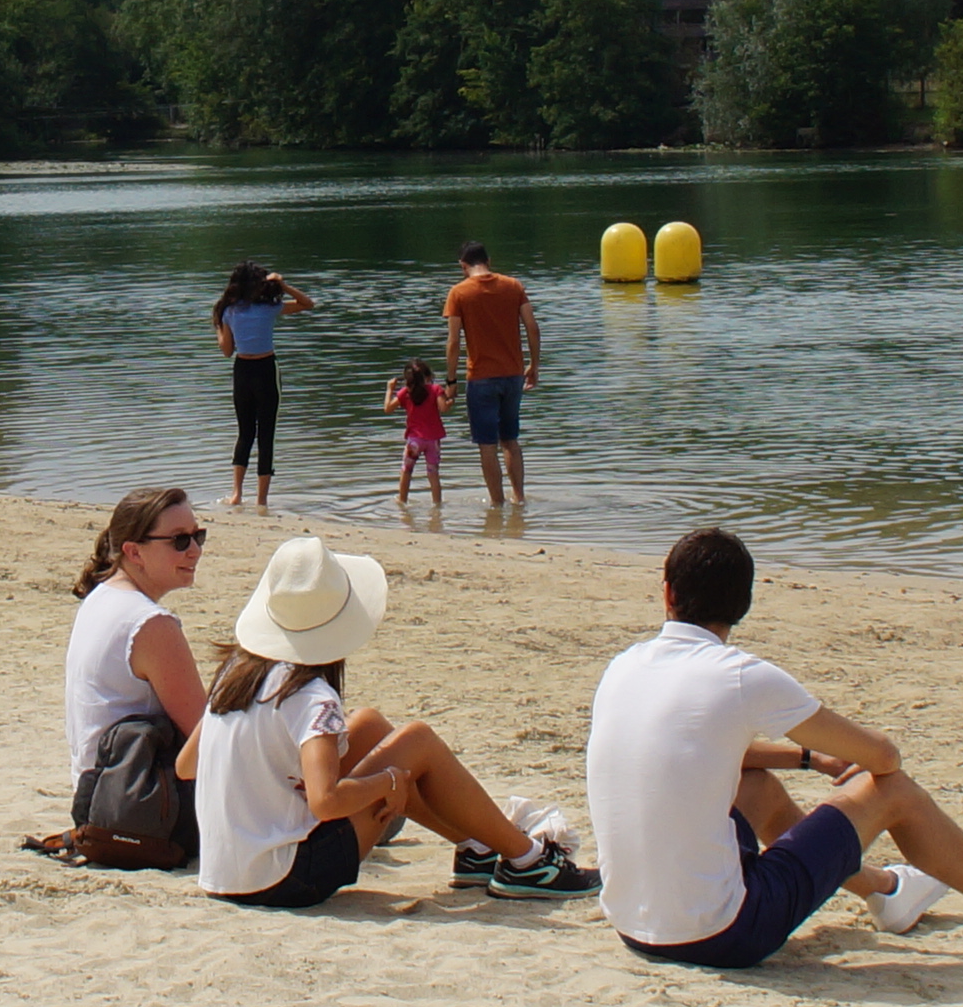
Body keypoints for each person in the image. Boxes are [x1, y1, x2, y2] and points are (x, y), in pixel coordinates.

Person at [581, 524, 963, 968]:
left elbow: (695, 750)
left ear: (668, 593)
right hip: (722, 935)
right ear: (742, 606)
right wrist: (857, 756)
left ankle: (886, 890)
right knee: (893, 792)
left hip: (632, 924)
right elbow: (882, 759)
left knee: (755, 787)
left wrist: (805, 757)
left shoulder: (623, 665)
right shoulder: (741, 676)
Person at [191, 532, 594, 908]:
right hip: (286, 878)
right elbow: (326, 802)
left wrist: (275, 777)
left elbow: (186, 763)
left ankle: (478, 848)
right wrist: (388, 783)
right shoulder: (312, 697)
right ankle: (529, 861)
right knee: (417, 741)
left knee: (368, 725)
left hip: (226, 869)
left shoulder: (235, 675)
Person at [56, 487, 214, 861]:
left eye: (198, 535)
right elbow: (210, 736)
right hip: (144, 806)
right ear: (133, 551)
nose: (195, 550)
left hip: (102, 796)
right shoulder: (151, 624)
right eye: (179, 541)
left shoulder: (101, 597)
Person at [441, 241, 540, 513]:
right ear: (489, 260)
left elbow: (453, 343)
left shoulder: (458, 293)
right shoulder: (514, 286)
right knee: (510, 439)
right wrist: (534, 364)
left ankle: (497, 505)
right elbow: (532, 326)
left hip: (481, 378)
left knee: (487, 444)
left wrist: (451, 382)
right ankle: (519, 499)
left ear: (463, 266)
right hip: (512, 375)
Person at [211, 259, 317, 508]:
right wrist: (284, 285)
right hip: (266, 369)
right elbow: (308, 304)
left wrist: (218, 327)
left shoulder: (229, 311)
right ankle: (261, 500)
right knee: (266, 434)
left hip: (242, 371)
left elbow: (226, 351)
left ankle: (236, 494)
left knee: (245, 433)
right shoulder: (269, 308)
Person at [386, 358, 449, 506]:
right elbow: (443, 408)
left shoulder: (405, 393)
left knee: (406, 471)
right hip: (433, 440)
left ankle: (402, 501)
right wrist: (449, 401)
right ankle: (437, 505)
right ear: (428, 376)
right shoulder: (436, 390)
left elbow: (388, 408)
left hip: (414, 440)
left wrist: (390, 389)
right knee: (433, 473)